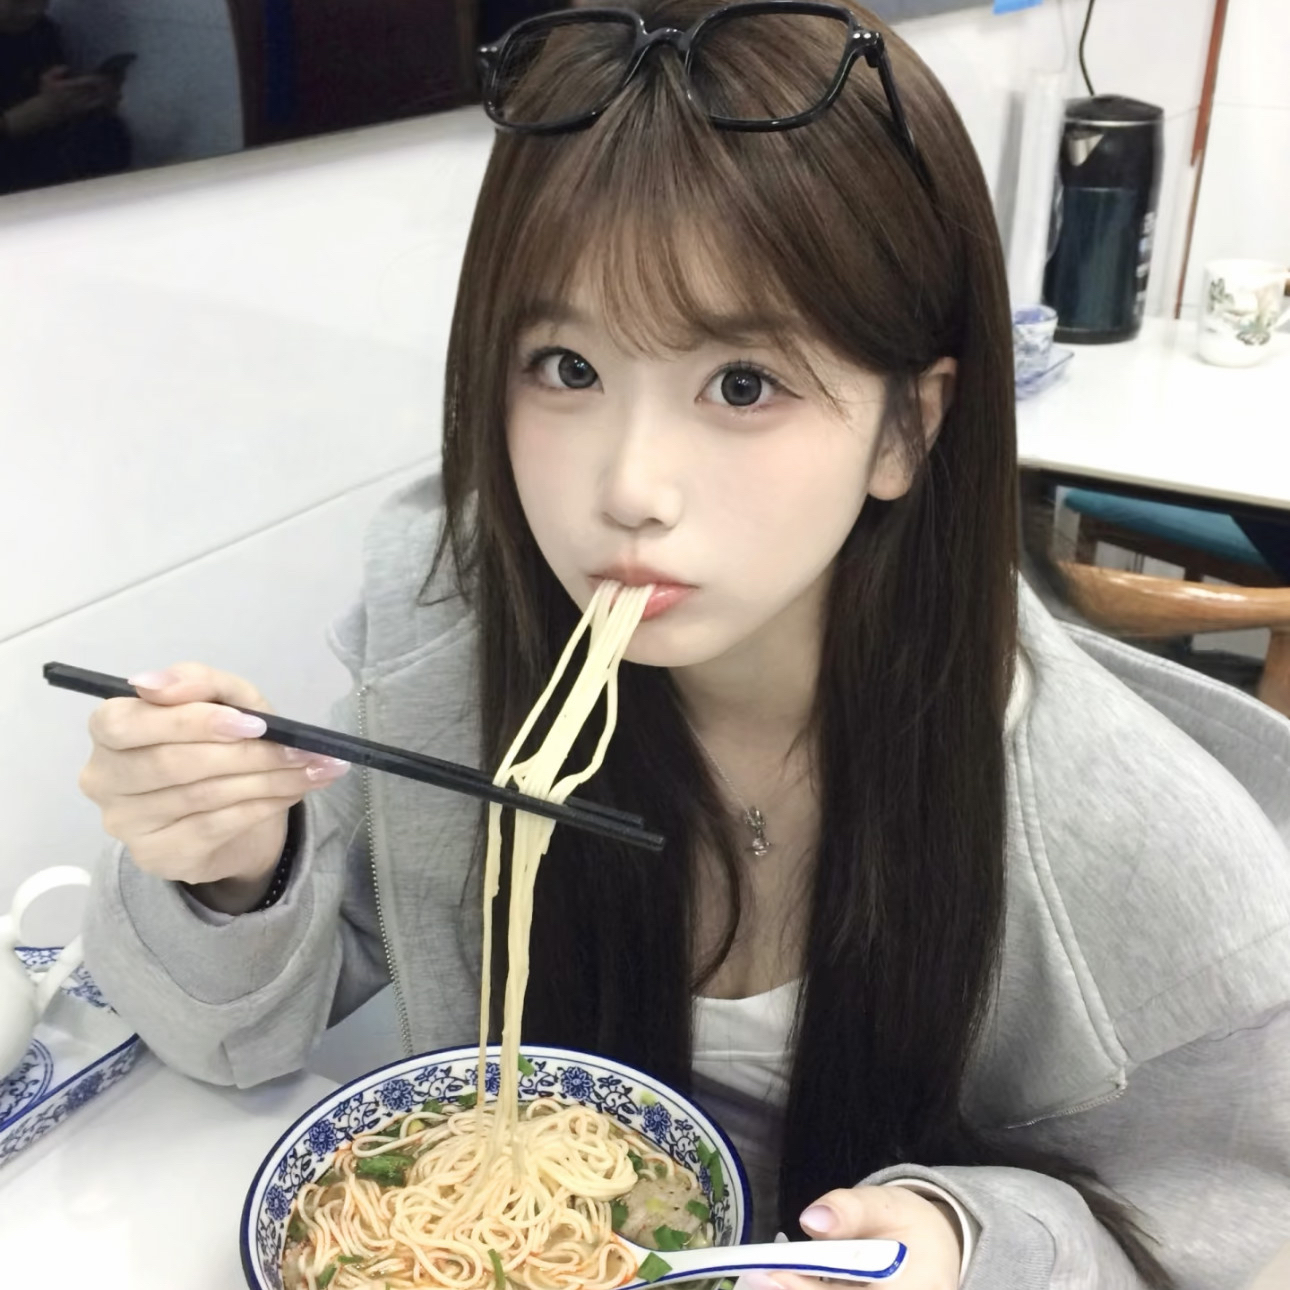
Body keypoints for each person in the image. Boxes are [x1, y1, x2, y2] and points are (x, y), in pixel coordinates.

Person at [77, 4, 1290, 1288]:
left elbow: (1227, 1244)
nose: (629, 488)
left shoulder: (1149, 860)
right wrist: (234, 874)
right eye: (565, 367)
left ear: (907, 429)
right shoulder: (460, 636)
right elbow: (237, 1037)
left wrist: (977, 1246)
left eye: (743, 384)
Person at [0, 0, 129, 195]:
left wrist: (82, 97)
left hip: (36, 156)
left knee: (104, 134)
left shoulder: (42, 32)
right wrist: (23, 117)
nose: (34, 9)